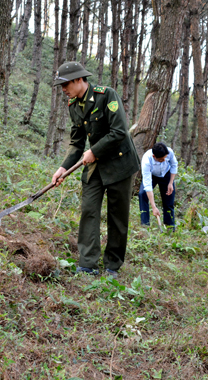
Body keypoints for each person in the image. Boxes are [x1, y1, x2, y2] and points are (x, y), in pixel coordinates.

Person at [51, 61, 140, 278]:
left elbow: (119, 131)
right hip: (96, 167)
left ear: (79, 79)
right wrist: (63, 167)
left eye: (65, 84)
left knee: (117, 217)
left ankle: (112, 265)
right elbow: (77, 143)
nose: (63, 90)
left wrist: (95, 151)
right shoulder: (74, 106)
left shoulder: (106, 95)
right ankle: (87, 263)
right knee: (89, 210)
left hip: (120, 164)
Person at [139, 142, 178, 229]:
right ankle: (145, 225)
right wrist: (154, 207)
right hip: (152, 175)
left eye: (165, 158)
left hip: (166, 174)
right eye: (161, 159)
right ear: (154, 156)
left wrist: (171, 183)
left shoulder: (169, 152)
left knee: (169, 198)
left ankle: (170, 227)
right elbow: (148, 185)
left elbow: (174, 165)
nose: (164, 160)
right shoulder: (146, 160)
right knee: (142, 194)